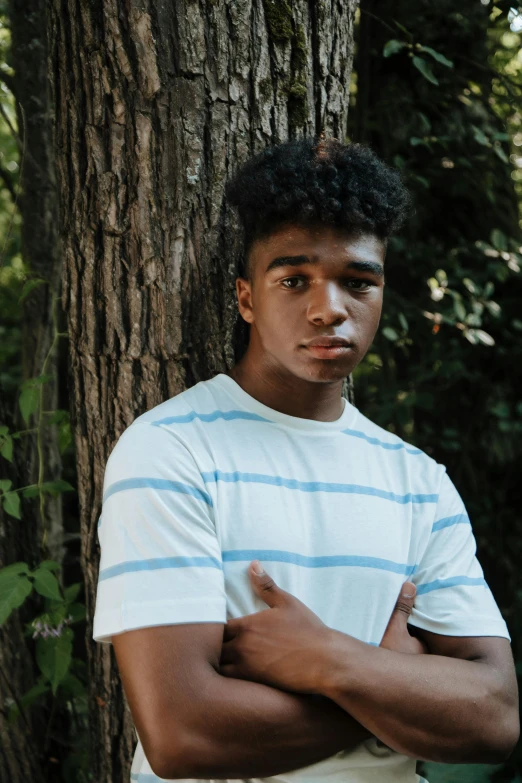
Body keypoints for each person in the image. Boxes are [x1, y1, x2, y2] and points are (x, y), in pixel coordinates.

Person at [92, 137, 519, 783]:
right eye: (293, 279)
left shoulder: (417, 482)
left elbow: (494, 718)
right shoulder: (171, 449)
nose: (328, 308)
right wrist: (392, 685)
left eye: (357, 281)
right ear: (246, 298)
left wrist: (328, 658)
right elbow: (183, 732)